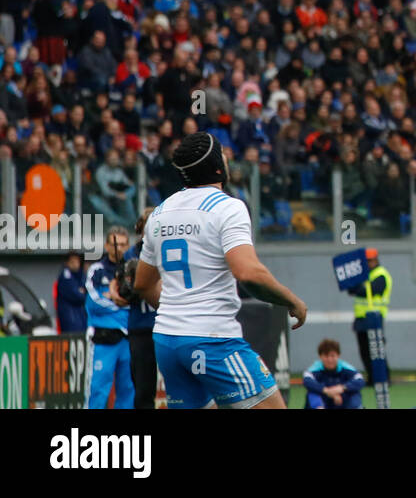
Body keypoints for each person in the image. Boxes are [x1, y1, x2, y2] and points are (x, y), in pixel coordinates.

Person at [133, 130, 308, 409]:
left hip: (167, 341)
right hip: (212, 340)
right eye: (224, 155)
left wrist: (178, 312)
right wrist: (292, 299)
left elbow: (142, 284)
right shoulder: (228, 208)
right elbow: (248, 273)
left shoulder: (159, 213)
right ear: (217, 166)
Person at [85, 226, 133, 408]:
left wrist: (113, 297)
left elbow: (139, 300)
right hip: (104, 339)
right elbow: (92, 302)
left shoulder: (133, 269)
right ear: (106, 245)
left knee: (129, 389)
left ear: (128, 245)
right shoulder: (97, 270)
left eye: (122, 244)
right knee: (97, 389)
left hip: (129, 339)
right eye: (114, 244)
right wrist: (122, 303)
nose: (118, 248)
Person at [124, 207, 159, 409]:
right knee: (144, 388)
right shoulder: (131, 254)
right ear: (141, 229)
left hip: (167, 327)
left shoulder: (167, 249)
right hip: (142, 328)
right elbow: (123, 292)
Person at [348, 247, 390, 384]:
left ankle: (384, 378)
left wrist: (359, 287)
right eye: (366, 261)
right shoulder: (363, 275)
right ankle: (372, 378)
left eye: (370, 260)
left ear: (376, 260)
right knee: (364, 351)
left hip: (374, 318)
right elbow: (352, 289)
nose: (368, 263)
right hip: (361, 318)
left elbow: (369, 290)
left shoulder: (381, 274)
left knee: (377, 350)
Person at [303, 339, 365, 409]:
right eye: (326, 356)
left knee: (354, 394)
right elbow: (307, 381)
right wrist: (327, 391)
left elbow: (360, 380)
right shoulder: (314, 369)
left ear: (338, 356)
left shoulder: (346, 368)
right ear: (320, 356)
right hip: (323, 399)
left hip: (342, 399)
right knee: (313, 393)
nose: (330, 360)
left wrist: (341, 388)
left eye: (332, 356)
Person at [55, 251, 87, 333]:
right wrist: (81, 292)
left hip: (80, 318)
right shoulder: (66, 276)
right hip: (70, 319)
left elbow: (87, 292)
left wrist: (83, 292)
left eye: (77, 261)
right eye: (72, 262)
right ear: (67, 263)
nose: (75, 264)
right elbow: (78, 296)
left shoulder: (80, 275)